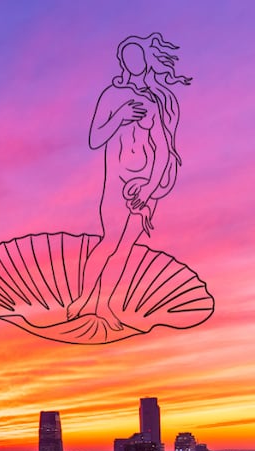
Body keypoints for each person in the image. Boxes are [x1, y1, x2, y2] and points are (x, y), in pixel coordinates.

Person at [66, 34, 191, 329]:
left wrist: (149, 189)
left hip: (144, 185)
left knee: (125, 247)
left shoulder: (152, 102)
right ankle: (84, 300)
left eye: (139, 57)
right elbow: (95, 139)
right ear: (123, 62)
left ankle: (106, 305)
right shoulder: (111, 95)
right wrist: (120, 116)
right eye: (129, 57)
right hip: (117, 183)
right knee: (109, 241)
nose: (135, 62)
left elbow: (162, 149)